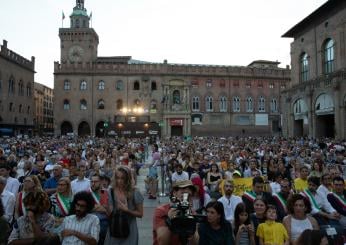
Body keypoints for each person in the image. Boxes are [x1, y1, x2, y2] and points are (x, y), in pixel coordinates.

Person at [104, 166, 143, 245]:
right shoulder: (110, 191)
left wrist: (127, 210)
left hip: (130, 229)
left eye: (123, 178)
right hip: (114, 228)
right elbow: (109, 214)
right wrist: (106, 207)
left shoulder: (135, 192)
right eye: (117, 178)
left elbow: (140, 214)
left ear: (127, 179)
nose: (120, 181)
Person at [153, 179, 198, 245]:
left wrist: (191, 226)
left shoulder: (192, 212)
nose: (187, 192)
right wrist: (169, 220)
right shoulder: (162, 210)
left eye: (190, 190)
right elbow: (162, 242)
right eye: (183, 189)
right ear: (174, 193)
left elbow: (195, 242)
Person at [90, 174, 110, 245]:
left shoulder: (107, 192)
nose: (93, 184)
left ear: (101, 182)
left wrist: (95, 207)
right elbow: (87, 208)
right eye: (91, 181)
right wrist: (102, 208)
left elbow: (109, 209)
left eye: (95, 182)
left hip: (104, 222)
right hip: (90, 222)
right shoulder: (87, 193)